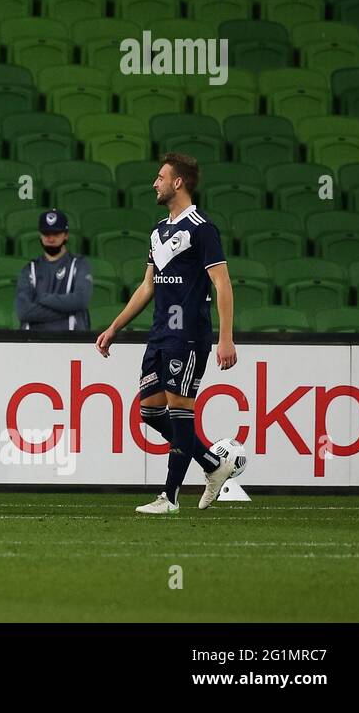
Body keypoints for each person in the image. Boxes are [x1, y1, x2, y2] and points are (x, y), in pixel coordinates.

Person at [95, 153, 240, 514]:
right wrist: (115, 327)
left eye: (160, 177)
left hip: (188, 335)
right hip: (159, 335)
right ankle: (212, 464)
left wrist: (225, 337)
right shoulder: (159, 231)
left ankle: (170, 497)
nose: (154, 183)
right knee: (149, 410)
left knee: (180, 411)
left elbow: (221, 283)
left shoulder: (202, 228)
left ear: (178, 183)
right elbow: (147, 287)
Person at [15, 209, 93, 331]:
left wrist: (42, 299)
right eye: (46, 234)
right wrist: (69, 311)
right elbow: (23, 311)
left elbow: (81, 301)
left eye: (56, 234)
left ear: (66, 235)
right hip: (33, 343)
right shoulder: (30, 269)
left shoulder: (78, 264)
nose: (51, 239)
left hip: (72, 342)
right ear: (40, 235)